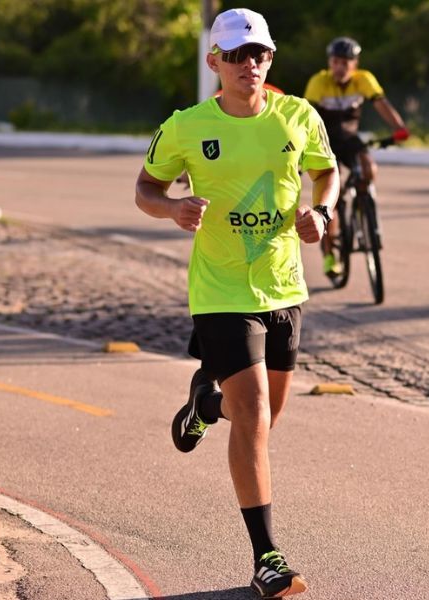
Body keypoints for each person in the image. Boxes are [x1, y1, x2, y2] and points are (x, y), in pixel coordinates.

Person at [134, 8, 339, 599]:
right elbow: (146, 187)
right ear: (214, 62)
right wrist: (172, 208)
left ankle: (205, 401)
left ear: (270, 59)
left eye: (260, 54)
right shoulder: (186, 126)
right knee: (252, 415)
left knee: (267, 416)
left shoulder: (298, 115)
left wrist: (320, 213)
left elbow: (329, 173)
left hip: (284, 286)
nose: (250, 64)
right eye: (238, 54)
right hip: (220, 288)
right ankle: (266, 557)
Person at [303, 36, 409, 277]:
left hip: (350, 140)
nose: (340, 67)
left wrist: (399, 127)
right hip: (325, 143)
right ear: (330, 62)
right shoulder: (319, 82)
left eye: (346, 62)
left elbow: (381, 103)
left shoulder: (364, 79)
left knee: (369, 169)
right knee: (334, 194)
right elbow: (305, 117)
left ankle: (363, 208)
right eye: (336, 61)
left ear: (355, 63)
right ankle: (330, 255)